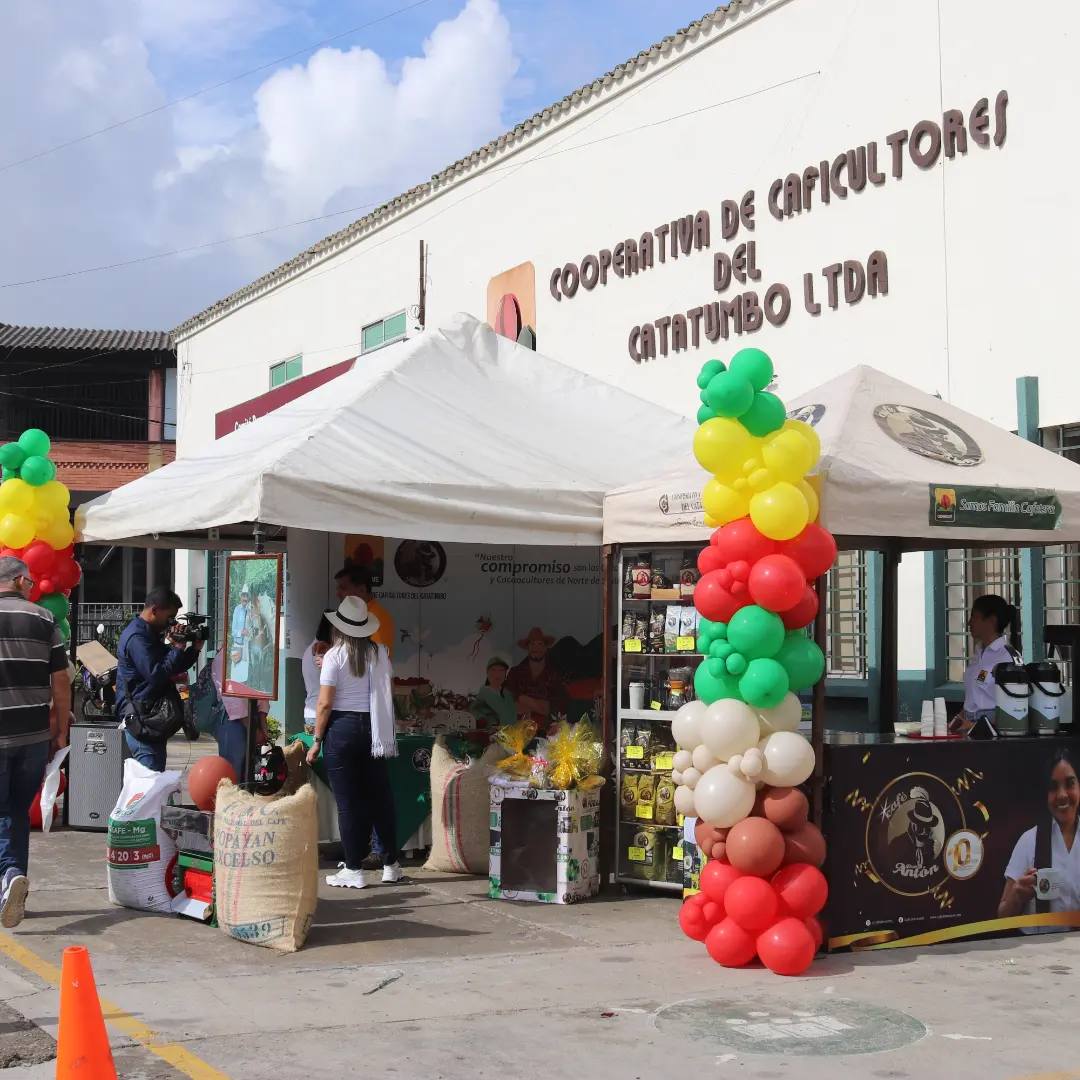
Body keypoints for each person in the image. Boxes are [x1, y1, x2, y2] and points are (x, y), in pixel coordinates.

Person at [307, 596, 402, 888]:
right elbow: (388, 689)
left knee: (348, 803)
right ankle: (391, 864)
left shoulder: (334, 656)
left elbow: (325, 704)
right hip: (374, 728)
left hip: (342, 728)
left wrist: (316, 740)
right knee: (380, 799)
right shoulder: (380, 653)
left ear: (339, 627)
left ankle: (353, 868)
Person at [0, 557, 70, 929]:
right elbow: (61, 680)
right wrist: (60, 731)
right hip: (32, 736)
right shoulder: (44, 619)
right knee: (15, 810)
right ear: (19, 580)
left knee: (4, 812)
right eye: (29, 582)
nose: (32, 587)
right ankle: (14, 883)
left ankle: (9, 876)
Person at [115, 587, 204, 771]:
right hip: (141, 720)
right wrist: (177, 647)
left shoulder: (149, 634)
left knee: (153, 781)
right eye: (169, 617)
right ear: (154, 610)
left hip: (150, 721)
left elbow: (172, 666)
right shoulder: (137, 637)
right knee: (149, 783)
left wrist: (194, 649)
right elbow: (156, 674)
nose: (171, 623)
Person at [998, 748, 1080, 932]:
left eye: (1070, 784)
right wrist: (1017, 896)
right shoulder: (1029, 841)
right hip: (1039, 947)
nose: (1062, 795)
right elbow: (1002, 917)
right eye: (1053, 787)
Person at [950, 594, 1022, 735]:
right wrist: (955, 722)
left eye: (974, 617)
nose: (969, 623)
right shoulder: (978, 654)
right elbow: (973, 698)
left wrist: (975, 725)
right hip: (969, 728)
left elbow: (1015, 707)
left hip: (993, 732)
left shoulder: (1007, 656)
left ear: (991, 621)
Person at [208, 651, 268, 780]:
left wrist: (262, 723)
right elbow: (231, 698)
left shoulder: (250, 652)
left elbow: (261, 686)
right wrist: (253, 728)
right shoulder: (224, 657)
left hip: (251, 715)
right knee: (234, 772)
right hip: (233, 719)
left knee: (252, 772)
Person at [506, 627, 568, 733]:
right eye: (532, 644)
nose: (536, 648)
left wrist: (523, 699)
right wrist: (540, 706)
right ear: (528, 647)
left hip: (547, 730)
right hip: (518, 730)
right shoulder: (515, 673)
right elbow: (508, 703)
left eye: (540, 644)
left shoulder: (554, 674)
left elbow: (558, 707)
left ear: (545, 648)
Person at [335, 566, 395, 658]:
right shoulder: (358, 615)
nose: (337, 594)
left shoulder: (376, 618)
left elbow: (374, 660)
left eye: (343, 588)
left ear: (362, 590)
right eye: (338, 589)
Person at [471, 657, 517, 731]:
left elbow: (513, 717)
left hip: (511, 734)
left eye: (501, 670)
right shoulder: (485, 692)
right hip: (493, 735)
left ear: (505, 673)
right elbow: (473, 711)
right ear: (487, 672)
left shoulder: (508, 694)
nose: (497, 674)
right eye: (493, 670)